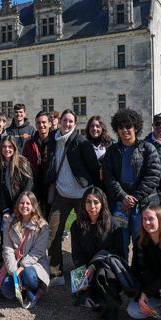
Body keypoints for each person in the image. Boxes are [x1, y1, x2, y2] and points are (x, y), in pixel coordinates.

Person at [45, 109, 100, 285]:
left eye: (70, 122)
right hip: (62, 193)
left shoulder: (81, 142)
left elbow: (92, 167)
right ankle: (56, 274)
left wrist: (89, 190)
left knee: (86, 234)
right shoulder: (53, 139)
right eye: (64, 120)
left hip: (82, 195)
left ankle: (90, 272)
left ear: (75, 124)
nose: (67, 124)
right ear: (60, 121)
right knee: (52, 232)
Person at [101, 108, 161, 254]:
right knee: (120, 244)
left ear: (136, 128)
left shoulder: (147, 148)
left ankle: (142, 275)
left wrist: (133, 198)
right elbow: (108, 177)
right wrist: (123, 197)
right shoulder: (112, 151)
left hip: (143, 204)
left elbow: (153, 177)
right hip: (120, 205)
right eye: (121, 127)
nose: (125, 130)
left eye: (128, 126)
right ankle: (123, 275)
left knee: (143, 244)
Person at [70, 187, 126, 320]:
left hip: (109, 266)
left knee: (102, 273)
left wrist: (94, 265)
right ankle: (98, 298)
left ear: (103, 204)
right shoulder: (76, 225)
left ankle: (113, 307)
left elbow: (119, 253)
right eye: (88, 202)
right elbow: (77, 253)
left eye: (96, 202)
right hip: (89, 266)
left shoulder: (114, 224)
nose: (92, 206)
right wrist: (82, 272)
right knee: (82, 286)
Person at [0, 191, 49, 308]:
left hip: (34, 264)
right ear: (17, 205)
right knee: (6, 290)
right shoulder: (9, 223)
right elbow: (7, 249)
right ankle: (21, 290)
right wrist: (13, 272)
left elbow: (38, 252)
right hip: (15, 263)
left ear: (33, 206)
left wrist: (19, 270)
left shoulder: (42, 226)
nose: (24, 206)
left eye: (28, 203)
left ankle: (34, 292)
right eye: (21, 203)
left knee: (29, 275)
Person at [22, 111, 56, 215]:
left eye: (44, 122)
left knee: (51, 216)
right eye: (38, 123)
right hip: (35, 185)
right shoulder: (29, 144)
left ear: (50, 123)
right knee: (36, 215)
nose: (41, 125)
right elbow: (24, 164)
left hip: (51, 185)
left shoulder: (55, 142)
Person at [0, 137, 33, 219]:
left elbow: (28, 188)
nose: (7, 149)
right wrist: (6, 210)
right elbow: (2, 189)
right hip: (9, 208)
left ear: (15, 148)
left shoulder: (22, 163)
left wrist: (20, 207)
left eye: (10, 146)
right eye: (4, 146)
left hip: (24, 206)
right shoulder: (0, 164)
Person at [85, 115, 114, 191]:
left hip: (107, 186)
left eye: (98, 126)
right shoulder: (83, 144)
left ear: (102, 128)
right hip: (89, 185)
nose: (94, 129)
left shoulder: (111, 144)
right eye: (92, 126)